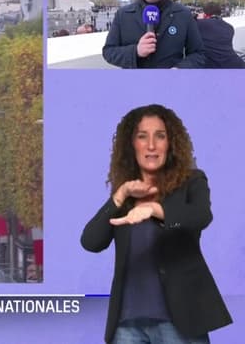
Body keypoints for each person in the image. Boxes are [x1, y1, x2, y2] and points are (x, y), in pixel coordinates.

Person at [81, 104, 231, 343]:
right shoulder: (126, 193)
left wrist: (155, 209)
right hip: (126, 325)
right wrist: (119, 195)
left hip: (179, 322)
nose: (151, 145)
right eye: (142, 136)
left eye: (160, 136)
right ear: (131, 144)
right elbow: (90, 241)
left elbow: (201, 216)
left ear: (171, 143)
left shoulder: (192, 181)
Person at [102, 0, 205, 69]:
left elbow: (198, 54)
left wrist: (179, 70)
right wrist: (135, 51)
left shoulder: (183, 14)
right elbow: (108, 51)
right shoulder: (123, 15)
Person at [196, 2, 245, 69]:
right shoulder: (229, 27)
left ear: (204, 14)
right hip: (237, 66)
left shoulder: (200, 24)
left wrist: (196, 18)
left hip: (215, 68)